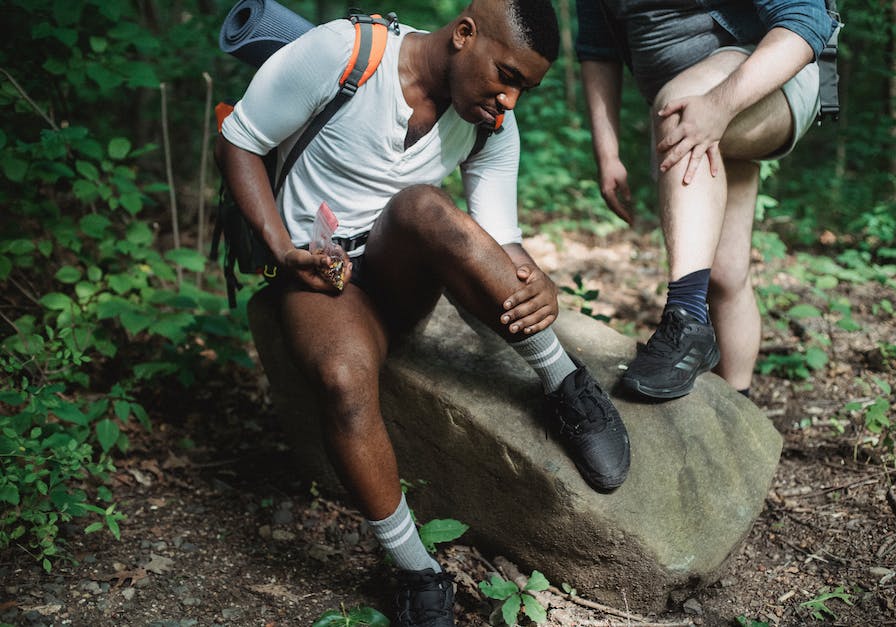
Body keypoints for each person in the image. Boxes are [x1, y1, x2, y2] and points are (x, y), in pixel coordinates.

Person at [218, 1, 631, 624]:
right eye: (507, 76)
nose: (511, 101)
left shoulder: (488, 123)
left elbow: (494, 239)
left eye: (527, 88)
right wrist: (282, 249)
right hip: (319, 282)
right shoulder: (345, 53)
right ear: (464, 33)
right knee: (342, 382)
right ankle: (417, 569)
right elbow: (240, 140)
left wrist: (534, 278)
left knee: (423, 207)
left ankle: (565, 382)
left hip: (400, 278)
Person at [576, 0, 838, 400]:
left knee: (680, 113)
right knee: (724, 274)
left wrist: (719, 106)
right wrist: (607, 153)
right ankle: (739, 422)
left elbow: (805, 22)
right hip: (694, 105)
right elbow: (599, 51)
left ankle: (686, 318)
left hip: (766, 82)